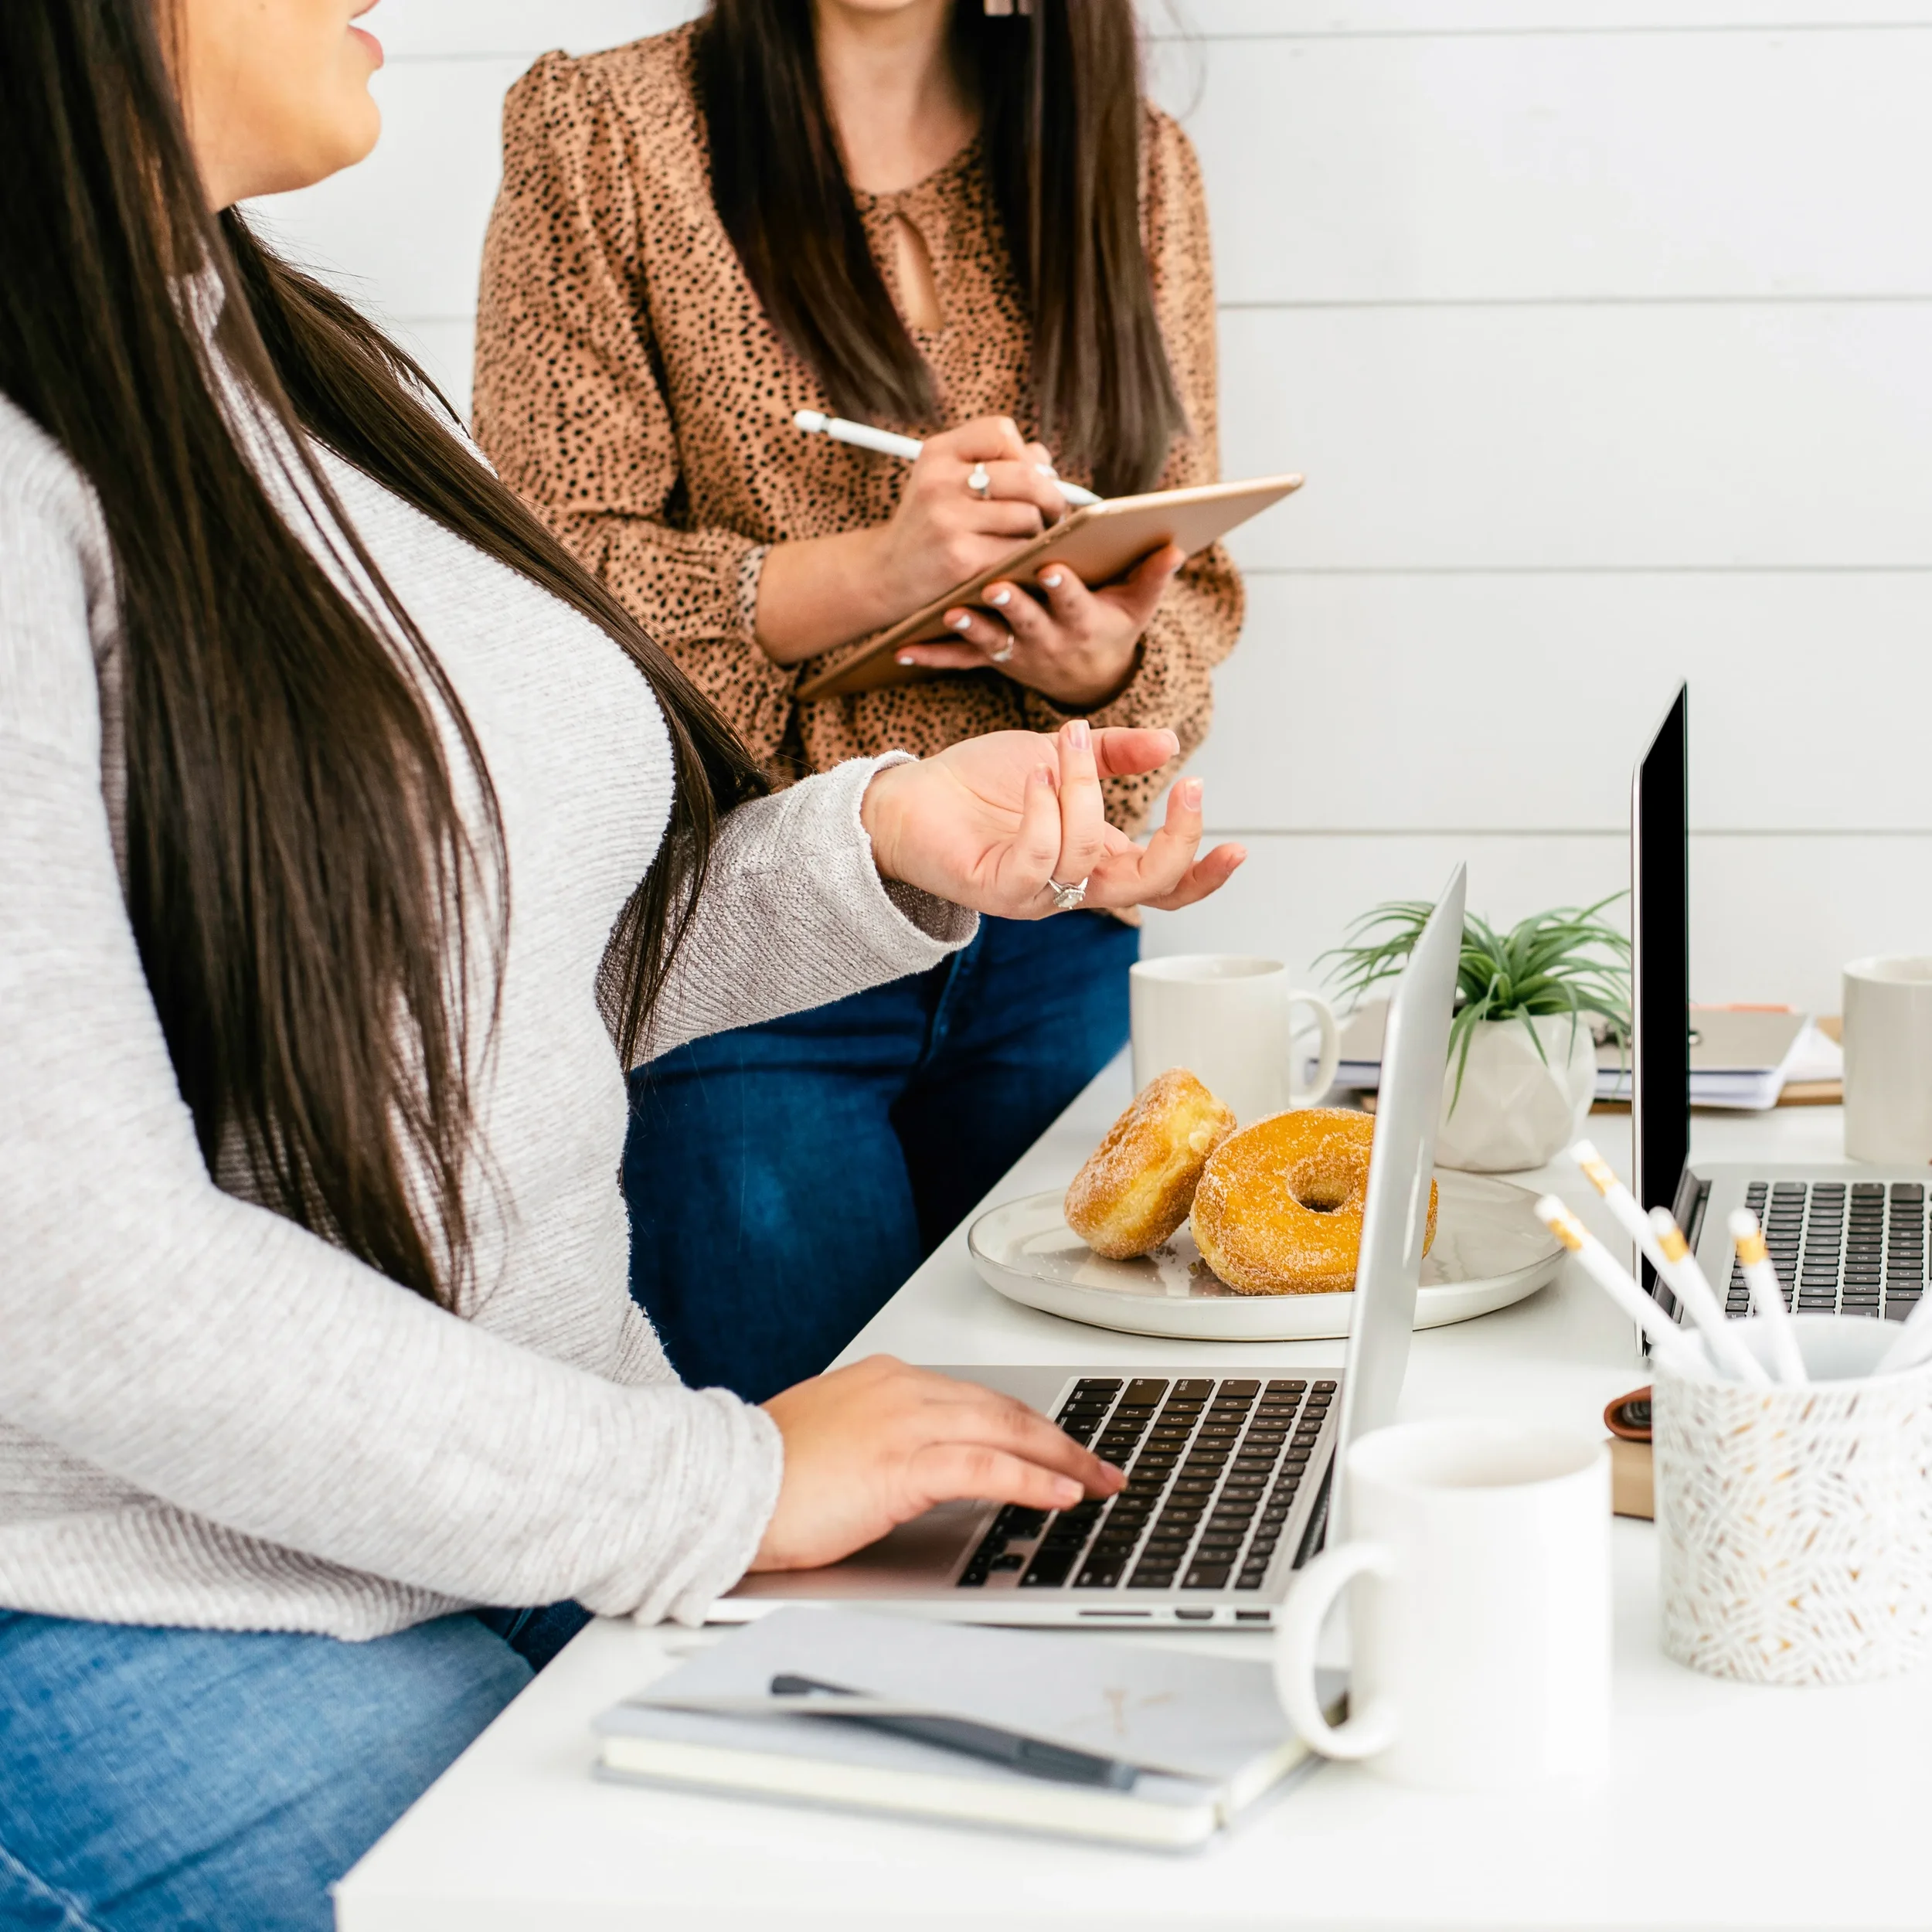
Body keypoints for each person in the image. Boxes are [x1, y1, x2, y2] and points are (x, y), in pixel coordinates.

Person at [0, 3, 1243, 1927]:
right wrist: (710, 1490)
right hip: (164, 1587)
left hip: (503, 1498)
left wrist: (884, 840)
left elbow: (466, 991)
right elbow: (60, 1266)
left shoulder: (298, 373)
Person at [473, 0, 1244, 1402]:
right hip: (752, 941)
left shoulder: (1130, 164)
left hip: (1054, 929)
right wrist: (875, 569)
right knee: (802, 1478)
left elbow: (1194, 588)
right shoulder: (606, 135)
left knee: (1074, 1447)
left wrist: (1096, 662)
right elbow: (546, 575)